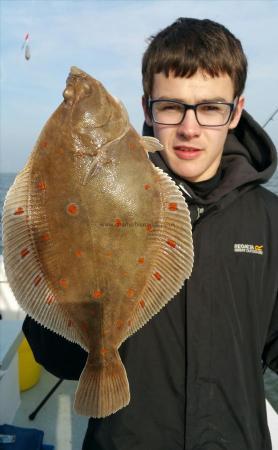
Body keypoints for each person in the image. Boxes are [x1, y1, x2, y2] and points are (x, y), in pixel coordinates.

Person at [23, 17, 278, 450]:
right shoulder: (100, 201)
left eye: (211, 107)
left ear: (236, 111)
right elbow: (58, 359)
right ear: (146, 110)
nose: (190, 128)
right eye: (171, 106)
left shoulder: (270, 219)